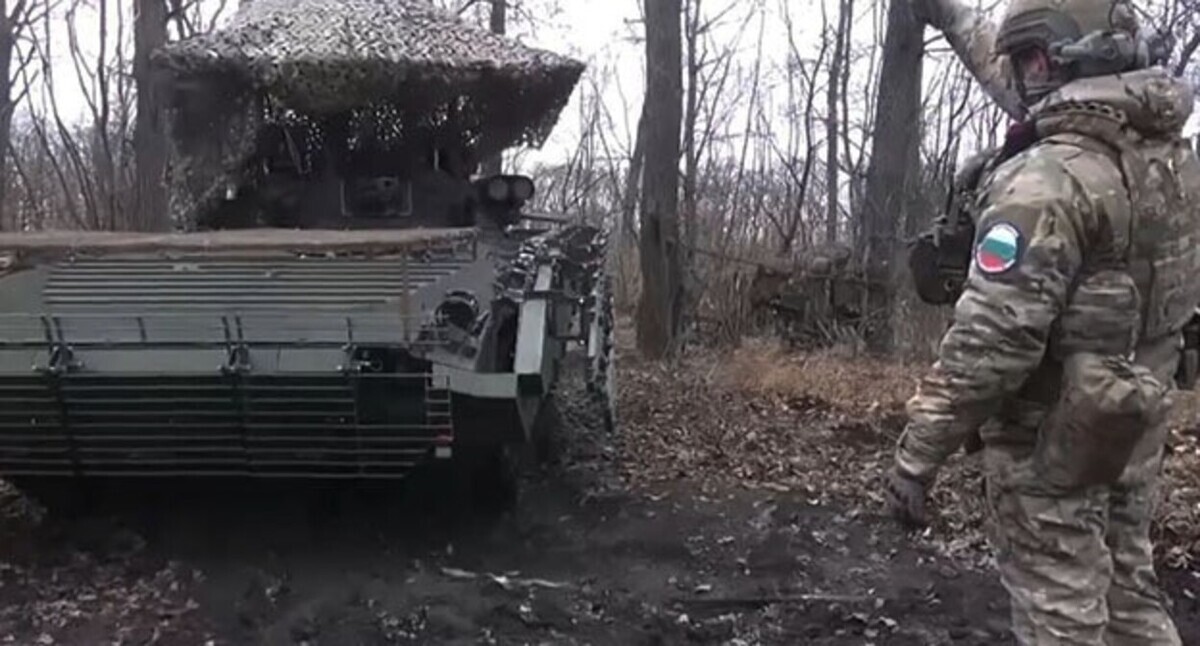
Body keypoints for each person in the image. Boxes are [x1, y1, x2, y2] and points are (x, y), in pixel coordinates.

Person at [887, 0, 1200, 644]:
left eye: (1025, 60)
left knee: (1060, 608)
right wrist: (948, 14)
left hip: (1050, 440)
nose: (1017, 77)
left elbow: (992, 341)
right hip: (1133, 418)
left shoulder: (1047, 179)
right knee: (1128, 593)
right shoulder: (1164, 153)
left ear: (1047, 61)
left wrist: (918, 453)